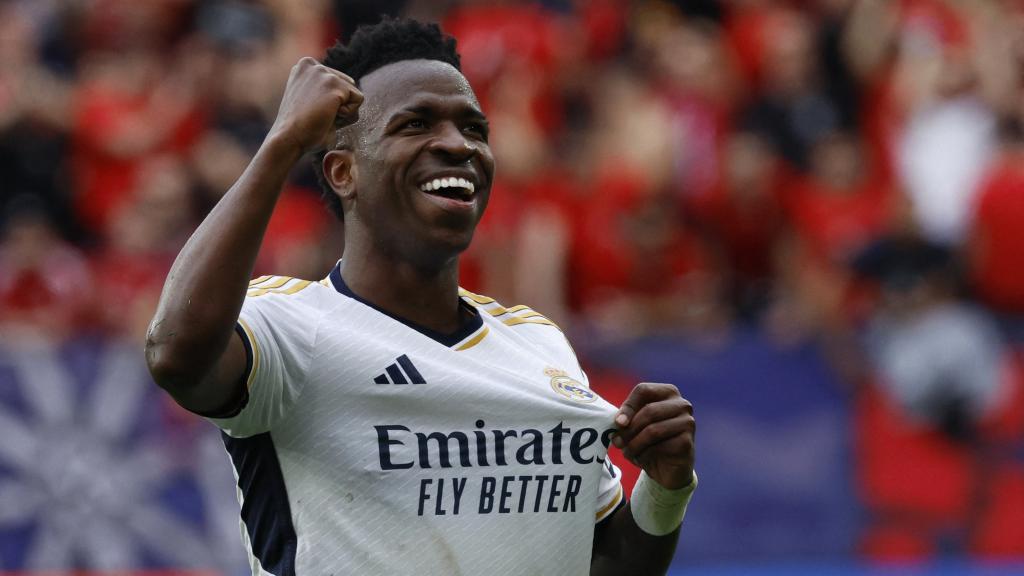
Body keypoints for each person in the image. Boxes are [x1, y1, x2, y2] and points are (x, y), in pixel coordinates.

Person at [145, 18, 696, 575]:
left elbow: (603, 563)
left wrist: (664, 488)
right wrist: (283, 141)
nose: (458, 145)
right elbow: (175, 353)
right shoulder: (288, 328)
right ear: (343, 172)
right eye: (415, 124)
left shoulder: (538, 344)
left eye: (474, 129)